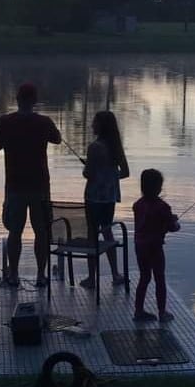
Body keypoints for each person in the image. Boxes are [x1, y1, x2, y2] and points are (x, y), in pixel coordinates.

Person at [0, 82, 61, 287]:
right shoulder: (44, 122)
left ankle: (13, 275)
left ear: (17, 99)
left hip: (14, 186)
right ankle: (40, 275)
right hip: (40, 186)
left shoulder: (5, 121)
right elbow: (57, 139)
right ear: (35, 101)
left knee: (15, 231)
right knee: (42, 231)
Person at [79, 110, 130, 289]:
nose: (92, 125)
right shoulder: (116, 146)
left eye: (94, 122)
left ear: (101, 126)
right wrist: (109, 175)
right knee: (107, 232)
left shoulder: (95, 147)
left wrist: (91, 170)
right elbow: (125, 172)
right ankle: (115, 273)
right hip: (109, 197)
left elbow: (88, 174)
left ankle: (92, 278)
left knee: (92, 235)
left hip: (93, 197)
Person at [132, 168, 180, 322]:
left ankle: (138, 311)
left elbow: (146, 222)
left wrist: (167, 220)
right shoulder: (163, 207)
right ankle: (162, 312)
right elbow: (172, 227)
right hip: (155, 248)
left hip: (140, 246)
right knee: (159, 278)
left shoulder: (137, 205)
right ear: (159, 187)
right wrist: (174, 222)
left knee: (144, 278)